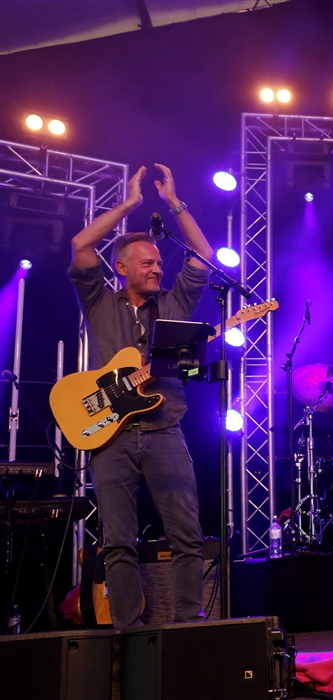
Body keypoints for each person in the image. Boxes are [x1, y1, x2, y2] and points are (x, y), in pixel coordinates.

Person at [68, 163, 213, 628]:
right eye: (147, 262)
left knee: (187, 534)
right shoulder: (99, 300)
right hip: (110, 436)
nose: (157, 267)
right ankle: (127, 634)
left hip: (164, 428)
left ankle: (188, 623)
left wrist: (175, 203)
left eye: (158, 262)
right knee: (118, 541)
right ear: (122, 267)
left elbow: (203, 254)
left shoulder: (173, 304)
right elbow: (80, 245)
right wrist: (130, 203)